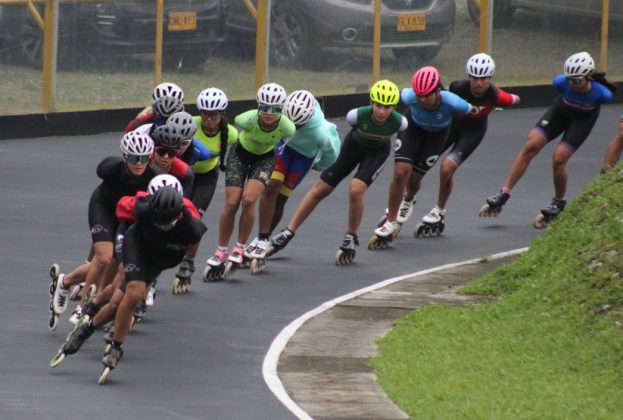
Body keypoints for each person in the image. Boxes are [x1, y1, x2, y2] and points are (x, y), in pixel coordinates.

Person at [50, 185, 206, 384]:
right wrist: (120, 254)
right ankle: (116, 347)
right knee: (134, 293)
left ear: (180, 216)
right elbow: (120, 218)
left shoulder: (192, 228)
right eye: (158, 221)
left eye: (166, 224)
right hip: (138, 246)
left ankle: (87, 326)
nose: (161, 226)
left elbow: (194, 243)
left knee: (118, 301)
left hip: (161, 258)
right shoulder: (142, 205)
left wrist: (187, 264)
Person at [269, 80, 407, 265]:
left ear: (394, 107)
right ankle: (288, 232)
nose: (381, 112)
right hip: (353, 147)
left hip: (376, 154)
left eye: (387, 107)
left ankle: (351, 237)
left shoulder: (400, 122)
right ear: (371, 102)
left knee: (356, 189)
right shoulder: (355, 116)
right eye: (378, 105)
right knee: (320, 189)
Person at [478, 51, 615, 227]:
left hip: (581, 121)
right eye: (569, 79)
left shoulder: (602, 94)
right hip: (561, 112)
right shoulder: (560, 82)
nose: (571, 84)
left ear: (588, 76)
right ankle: (504, 193)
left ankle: (559, 202)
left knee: (559, 159)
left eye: (575, 80)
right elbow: (564, 88)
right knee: (531, 145)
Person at [48, 132, 155, 330]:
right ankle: (81, 309)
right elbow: (101, 170)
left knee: (116, 263)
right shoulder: (110, 168)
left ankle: (65, 281)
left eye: (144, 158)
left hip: (125, 217)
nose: (139, 163)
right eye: (134, 158)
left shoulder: (152, 178)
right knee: (104, 258)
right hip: (104, 208)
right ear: (125, 157)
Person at [412, 53, 520, 235]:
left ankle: (439, 211)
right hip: (451, 127)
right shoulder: (457, 87)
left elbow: (514, 98)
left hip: (472, 134)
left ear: (490, 78)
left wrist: (512, 99)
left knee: (447, 168)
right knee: (421, 162)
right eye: (474, 78)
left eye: (483, 79)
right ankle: (408, 198)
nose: (478, 83)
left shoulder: (495, 95)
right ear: (468, 76)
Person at [370, 67, 476, 246]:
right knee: (400, 172)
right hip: (412, 128)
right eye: (419, 95)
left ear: (437, 91)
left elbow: (472, 110)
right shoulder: (409, 96)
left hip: (436, 137)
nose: (422, 100)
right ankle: (391, 221)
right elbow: (387, 102)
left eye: (427, 95)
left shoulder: (453, 102)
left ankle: (408, 199)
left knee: (414, 180)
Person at [203, 83, 295, 280]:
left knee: (249, 199)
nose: (269, 113)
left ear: (282, 110)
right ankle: (221, 250)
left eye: (275, 109)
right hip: (240, 155)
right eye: (265, 108)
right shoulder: (245, 119)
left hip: (264, 159)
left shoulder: (288, 127)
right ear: (258, 106)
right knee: (231, 203)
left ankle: (239, 247)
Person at [247, 90, 340, 269]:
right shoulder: (284, 109)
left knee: (281, 198)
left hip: (303, 157)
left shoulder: (322, 132)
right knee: (272, 186)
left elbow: (332, 154)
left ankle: (262, 239)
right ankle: (262, 238)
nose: (294, 128)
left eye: (298, 125)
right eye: (291, 123)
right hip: (284, 147)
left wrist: (319, 165)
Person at [172, 88, 238, 287]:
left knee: (194, 219)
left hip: (206, 178)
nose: (208, 118)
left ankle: (188, 262)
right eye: (205, 113)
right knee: (174, 215)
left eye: (213, 114)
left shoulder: (231, 134)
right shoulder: (189, 123)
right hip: (183, 174)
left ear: (222, 114)